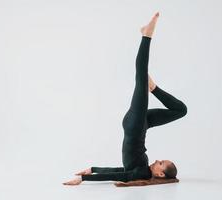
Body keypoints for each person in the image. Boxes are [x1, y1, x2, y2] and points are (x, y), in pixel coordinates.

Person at [63, 12, 187, 186]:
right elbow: (120, 171)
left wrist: (83, 179)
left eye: (161, 163)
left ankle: (147, 35)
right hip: (141, 124)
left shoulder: (142, 173)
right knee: (181, 110)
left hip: (135, 124)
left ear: (160, 174)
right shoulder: (142, 170)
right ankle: (153, 88)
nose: (158, 160)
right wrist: (92, 168)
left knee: (141, 75)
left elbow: (120, 176)